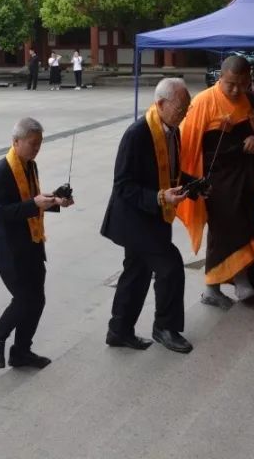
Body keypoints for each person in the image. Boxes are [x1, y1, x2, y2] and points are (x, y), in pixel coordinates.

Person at [101, 78, 194, 354]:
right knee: (171, 267)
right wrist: (159, 197)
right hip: (135, 219)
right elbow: (122, 185)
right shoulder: (137, 134)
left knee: (136, 273)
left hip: (154, 215)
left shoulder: (173, 130)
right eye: (181, 108)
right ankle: (164, 327)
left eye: (187, 108)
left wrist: (193, 184)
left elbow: (171, 172)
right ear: (161, 104)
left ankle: (118, 331)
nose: (184, 113)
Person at [178, 55, 254, 309]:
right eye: (230, 83)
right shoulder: (203, 102)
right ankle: (231, 281)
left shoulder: (250, 100)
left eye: (241, 84)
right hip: (215, 178)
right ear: (220, 77)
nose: (235, 90)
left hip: (245, 176)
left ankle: (223, 283)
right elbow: (189, 146)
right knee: (225, 227)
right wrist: (193, 184)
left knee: (247, 222)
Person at [0, 117, 75, 370]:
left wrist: (55, 201)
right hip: (9, 250)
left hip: (33, 244)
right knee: (25, 298)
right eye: (32, 144)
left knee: (37, 300)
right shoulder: (0, 171)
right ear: (16, 142)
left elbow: (33, 200)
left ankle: (21, 351)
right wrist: (34, 204)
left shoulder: (30, 166)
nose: (37, 149)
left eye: (39, 144)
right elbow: (0, 212)